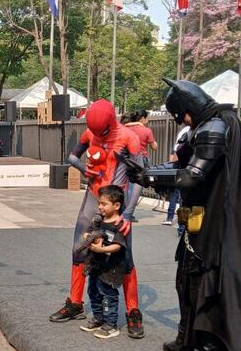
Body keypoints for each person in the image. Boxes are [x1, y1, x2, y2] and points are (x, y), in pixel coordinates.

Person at [126, 79, 241, 351]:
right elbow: (181, 164)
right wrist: (147, 174)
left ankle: (206, 341)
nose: (182, 122)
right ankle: (187, 337)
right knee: (185, 280)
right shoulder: (203, 126)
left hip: (215, 222)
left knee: (204, 282)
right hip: (197, 217)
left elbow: (192, 175)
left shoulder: (215, 127)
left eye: (181, 116)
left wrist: (150, 176)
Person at [51, 99, 145, 340]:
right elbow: (72, 157)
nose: (98, 134)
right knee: (79, 250)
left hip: (116, 204)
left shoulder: (129, 138)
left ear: (111, 121)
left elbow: (138, 178)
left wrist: (128, 212)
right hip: (93, 198)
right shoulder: (90, 132)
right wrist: (84, 169)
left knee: (124, 255)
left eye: (101, 130)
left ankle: (133, 311)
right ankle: (75, 303)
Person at [78, 185, 130, 340]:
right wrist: (88, 238)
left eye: (104, 204)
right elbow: (87, 232)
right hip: (96, 265)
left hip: (111, 268)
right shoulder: (99, 220)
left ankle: (111, 324)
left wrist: (101, 249)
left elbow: (119, 245)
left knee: (108, 295)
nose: (100, 207)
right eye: (99, 203)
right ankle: (98, 318)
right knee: (93, 292)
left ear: (116, 205)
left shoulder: (119, 224)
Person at [123, 109, 158, 222]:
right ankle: (129, 212)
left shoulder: (127, 128)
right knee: (138, 185)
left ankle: (126, 211)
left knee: (128, 185)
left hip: (128, 158)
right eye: (147, 118)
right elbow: (154, 147)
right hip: (141, 159)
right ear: (142, 118)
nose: (148, 120)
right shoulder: (147, 131)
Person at [161, 125, 191, 228]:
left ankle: (170, 218)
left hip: (179, 166)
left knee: (175, 193)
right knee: (183, 197)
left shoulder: (185, 130)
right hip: (187, 168)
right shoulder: (192, 130)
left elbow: (174, 151)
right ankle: (182, 226)